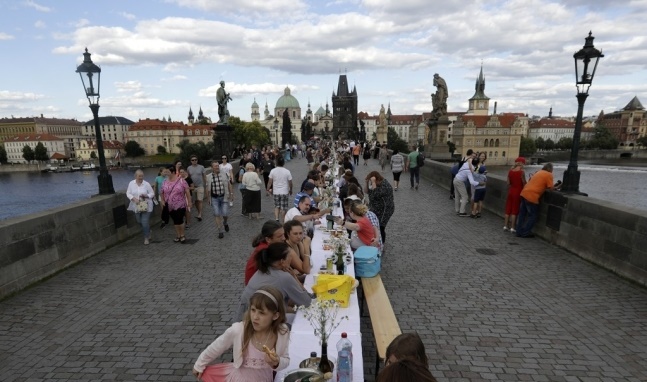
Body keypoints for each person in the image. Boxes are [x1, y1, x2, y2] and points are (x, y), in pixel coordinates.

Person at [192, 286, 290, 382]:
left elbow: (285, 359)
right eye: (253, 310)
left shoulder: (281, 333)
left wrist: (277, 362)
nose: (255, 317)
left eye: (262, 313)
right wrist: (199, 365)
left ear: (275, 315)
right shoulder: (239, 330)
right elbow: (216, 347)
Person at [238, 242, 313, 319]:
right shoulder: (283, 277)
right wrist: (295, 278)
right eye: (290, 257)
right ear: (282, 261)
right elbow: (307, 303)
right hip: (256, 321)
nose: (291, 259)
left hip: (246, 316)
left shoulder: (263, 270)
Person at [516, 162, 558, 238]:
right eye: (552, 169)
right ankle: (525, 232)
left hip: (524, 193)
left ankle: (518, 231)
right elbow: (551, 188)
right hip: (532, 196)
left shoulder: (538, 172)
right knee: (533, 216)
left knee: (522, 214)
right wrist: (556, 187)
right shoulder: (548, 175)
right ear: (550, 169)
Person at [245, 221, 286, 286]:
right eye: (280, 236)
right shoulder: (266, 250)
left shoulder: (266, 246)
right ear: (268, 239)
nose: (284, 238)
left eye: (284, 234)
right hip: (258, 290)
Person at [161, 166, 191, 244]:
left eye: (167, 172)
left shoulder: (181, 181)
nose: (166, 173)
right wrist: (162, 200)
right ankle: (178, 235)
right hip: (170, 205)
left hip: (180, 204)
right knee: (175, 220)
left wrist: (189, 202)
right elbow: (161, 192)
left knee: (179, 219)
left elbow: (187, 191)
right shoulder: (164, 181)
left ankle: (182, 235)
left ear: (173, 172)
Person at [126, 169, 155, 245]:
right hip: (136, 206)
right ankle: (148, 230)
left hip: (146, 206)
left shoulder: (146, 184)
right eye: (139, 176)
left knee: (144, 222)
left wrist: (147, 195)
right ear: (135, 176)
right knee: (139, 221)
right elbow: (128, 193)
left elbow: (152, 193)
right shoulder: (131, 183)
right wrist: (133, 198)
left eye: (142, 176)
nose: (141, 177)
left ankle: (146, 237)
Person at [206, 161, 233, 239]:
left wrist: (231, 194)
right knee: (217, 214)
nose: (217, 167)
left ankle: (225, 222)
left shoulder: (224, 174)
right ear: (212, 168)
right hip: (214, 198)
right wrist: (208, 198)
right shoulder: (209, 177)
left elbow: (229, 184)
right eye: (215, 166)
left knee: (225, 214)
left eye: (218, 166)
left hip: (224, 197)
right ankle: (220, 231)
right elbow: (208, 189)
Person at [365, 171, 395, 243]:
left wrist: (374, 183)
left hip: (385, 209)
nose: (371, 184)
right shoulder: (375, 184)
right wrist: (366, 183)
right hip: (376, 208)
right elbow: (366, 191)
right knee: (375, 225)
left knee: (381, 226)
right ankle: (376, 240)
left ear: (377, 179)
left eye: (372, 182)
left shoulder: (385, 185)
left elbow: (376, 194)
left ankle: (381, 243)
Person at [453, 151, 481, 217]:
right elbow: (472, 182)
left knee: (457, 196)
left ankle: (457, 210)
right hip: (460, 181)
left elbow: (469, 162)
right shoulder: (470, 170)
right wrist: (479, 183)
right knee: (465, 197)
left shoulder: (466, 164)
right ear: (477, 164)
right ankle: (462, 212)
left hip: (456, 179)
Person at [266, 156, 293, 223]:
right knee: (284, 207)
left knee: (276, 206)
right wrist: (291, 189)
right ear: (283, 163)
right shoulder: (287, 171)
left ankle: (277, 219)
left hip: (276, 192)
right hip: (284, 191)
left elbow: (270, 182)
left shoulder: (273, 171)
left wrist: (267, 189)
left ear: (276, 162)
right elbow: (290, 182)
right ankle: (283, 220)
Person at [504, 157, 527, 232]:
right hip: (518, 192)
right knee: (515, 210)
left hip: (511, 191)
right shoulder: (521, 172)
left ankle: (505, 226)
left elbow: (508, 183)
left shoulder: (510, 171)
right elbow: (524, 183)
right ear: (522, 163)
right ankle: (512, 227)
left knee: (508, 209)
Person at [187, 155, 206, 222]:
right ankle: (199, 212)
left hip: (200, 186)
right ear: (191, 161)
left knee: (200, 200)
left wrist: (205, 184)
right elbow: (188, 178)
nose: (194, 161)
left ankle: (200, 214)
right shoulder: (189, 168)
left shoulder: (201, 167)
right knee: (195, 202)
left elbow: (204, 176)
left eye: (195, 160)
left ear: (197, 160)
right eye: (193, 160)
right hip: (193, 187)